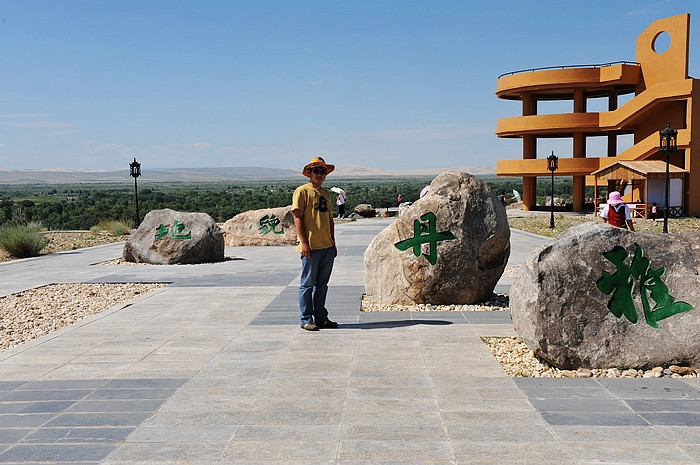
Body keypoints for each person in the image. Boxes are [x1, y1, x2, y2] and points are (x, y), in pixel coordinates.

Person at [292, 157, 339, 331]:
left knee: (322, 285)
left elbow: (330, 220)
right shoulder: (302, 191)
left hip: (326, 246)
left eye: (322, 171)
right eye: (316, 171)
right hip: (310, 246)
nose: (319, 174)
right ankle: (306, 318)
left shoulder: (326, 194)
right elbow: (297, 217)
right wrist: (303, 242)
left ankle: (321, 318)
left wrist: (333, 242)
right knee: (307, 284)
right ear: (309, 173)